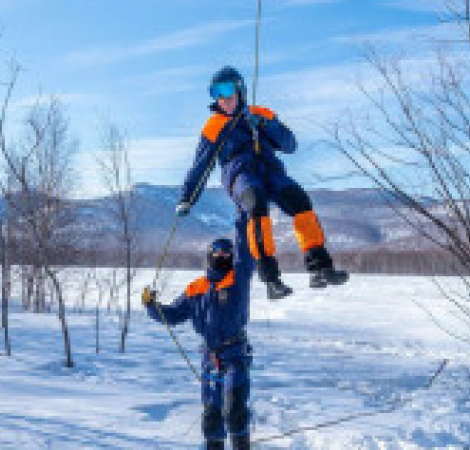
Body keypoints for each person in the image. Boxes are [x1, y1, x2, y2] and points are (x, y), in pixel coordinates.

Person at [176, 65, 348, 300]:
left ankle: (320, 268)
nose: (223, 99)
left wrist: (268, 125)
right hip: (240, 174)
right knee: (256, 205)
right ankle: (271, 280)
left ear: (240, 90)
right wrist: (187, 198)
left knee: (300, 201)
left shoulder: (262, 113)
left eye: (227, 90)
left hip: (271, 170)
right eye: (216, 93)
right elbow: (200, 166)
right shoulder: (213, 126)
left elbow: (290, 145)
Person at [142, 214, 255, 450]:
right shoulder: (196, 288)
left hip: (235, 354)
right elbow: (172, 314)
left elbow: (247, 251)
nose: (221, 256)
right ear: (209, 256)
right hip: (210, 358)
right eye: (217, 252)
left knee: (235, 409)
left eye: (226, 253)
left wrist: (243, 219)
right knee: (212, 415)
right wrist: (152, 306)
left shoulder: (239, 279)